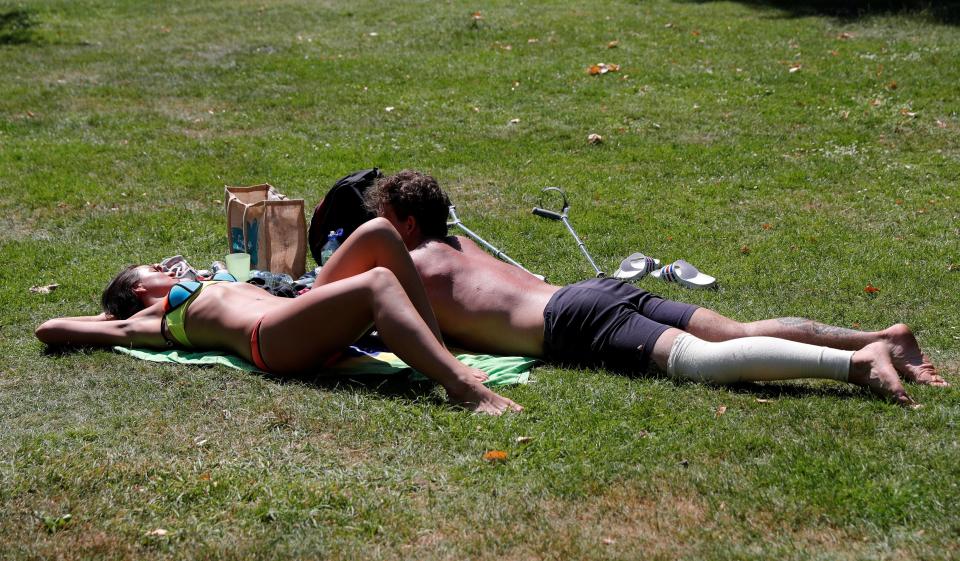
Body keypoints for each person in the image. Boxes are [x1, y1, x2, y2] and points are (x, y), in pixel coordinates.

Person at [364, 170, 949, 406]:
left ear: (408, 224)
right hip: (594, 292)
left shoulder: (416, 264)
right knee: (738, 334)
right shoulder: (461, 248)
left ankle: (860, 363)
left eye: (384, 219)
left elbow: (391, 321)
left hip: (573, 320)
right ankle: (881, 336)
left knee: (702, 364)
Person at [34, 218, 522, 416]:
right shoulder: (153, 322)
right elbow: (48, 329)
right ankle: (464, 388)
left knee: (376, 232)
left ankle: (435, 352)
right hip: (273, 342)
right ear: (139, 290)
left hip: (297, 313)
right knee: (377, 283)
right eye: (155, 271)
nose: (167, 267)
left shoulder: (203, 284)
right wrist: (105, 315)